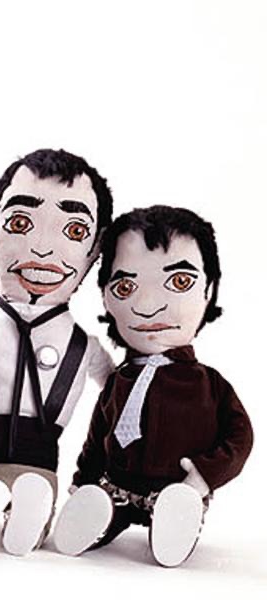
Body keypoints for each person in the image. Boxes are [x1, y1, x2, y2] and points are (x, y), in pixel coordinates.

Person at [0, 149, 115, 555]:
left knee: (28, 503)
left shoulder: (83, 346)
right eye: (20, 223)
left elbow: (118, 394)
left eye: (73, 231)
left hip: (40, 457)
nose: (44, 250)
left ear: (96, 248)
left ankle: (23, 509)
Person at [53, 205, 253, 567]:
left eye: (179, 283)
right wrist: (84, 479)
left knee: (177, 505)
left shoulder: (211, 385)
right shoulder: (119, 380)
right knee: (102, 504)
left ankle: (177, 519)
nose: (147, 306)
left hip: (178, 486)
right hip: (117, 485)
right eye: (125, 287)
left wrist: (203, 475)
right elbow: (97, 434)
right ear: (106, 297)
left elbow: (240, 437)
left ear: (208, 290)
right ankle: (96, 515)